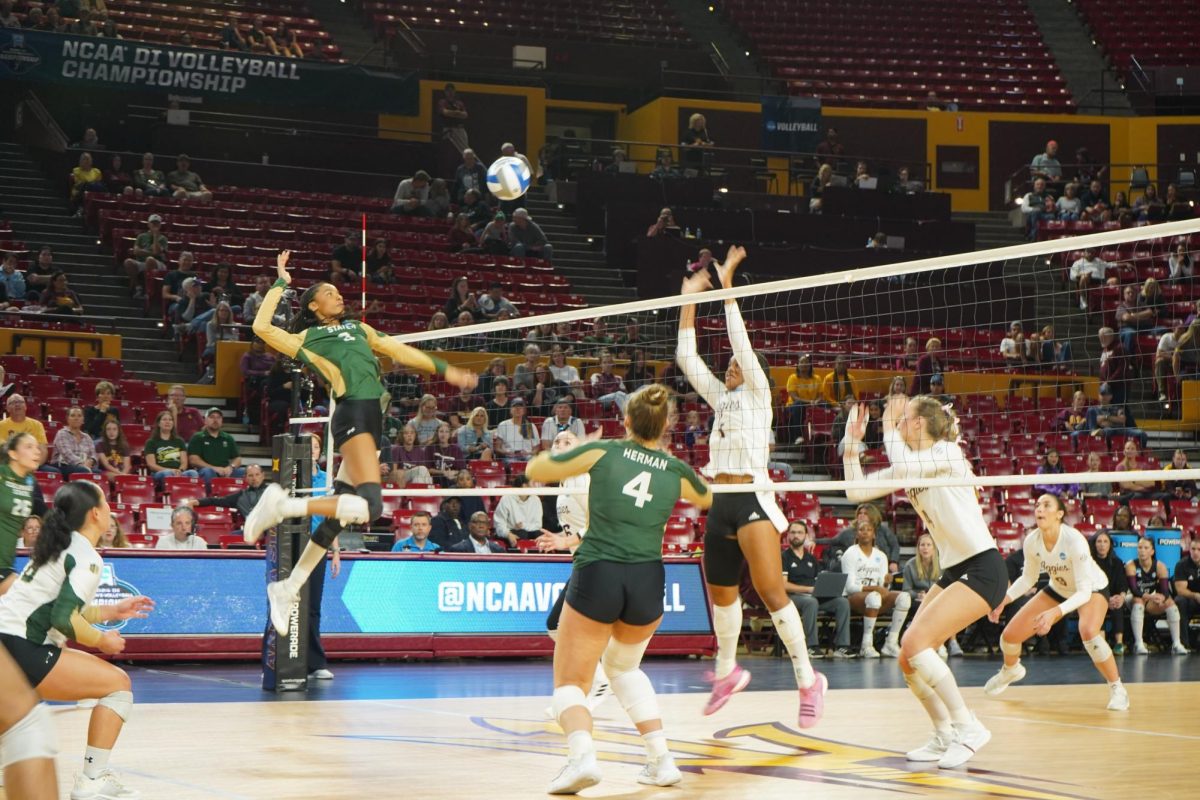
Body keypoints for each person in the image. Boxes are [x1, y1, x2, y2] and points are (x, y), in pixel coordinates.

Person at [245, 250, 476, 635]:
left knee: (336, 521)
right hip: (352, 412)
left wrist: (445, 369)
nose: (338, 296)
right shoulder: (307, 338)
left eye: (338, 291)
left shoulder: (360, 328)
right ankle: (282, 504)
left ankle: (287, 588)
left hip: (372, 417)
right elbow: (262, 328)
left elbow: (399, 350)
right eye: (330, 293)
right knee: (370, 505)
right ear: (314, 305)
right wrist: (281, 283)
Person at [525, 384, 711, 793]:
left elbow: (536, 470)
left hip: (600, 571)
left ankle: (582, 760)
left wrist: (580, 449)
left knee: (570, 682)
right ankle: (661, 760)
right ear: (668, 425)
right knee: (624, 668)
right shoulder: (676, 469)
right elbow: (706, 496)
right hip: (648, 579)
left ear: (625, 420)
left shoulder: (605, 451)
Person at [677, 245, 826, 727]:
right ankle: (726, 672)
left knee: (769, 590)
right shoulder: (720, 400)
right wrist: (687, 299)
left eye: (740, 364)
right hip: (718, 501)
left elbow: (740, 343)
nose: (731, 367)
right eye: (730, 367)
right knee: (721, 596)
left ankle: (808, 679)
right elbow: (686, 355)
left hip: (753, 498)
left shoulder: (759, 396)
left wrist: (727, 286)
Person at [842, 394, 1004, 768]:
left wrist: (885, 425)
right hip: (956, 571)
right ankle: (943, 733)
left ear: (917, 423)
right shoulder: (912, 464)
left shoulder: (948, 453)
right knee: (906, 656)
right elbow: (856, 492)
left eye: (902, 419)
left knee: (916, 644)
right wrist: (852, 447)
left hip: (982, 567)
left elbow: (904, 462)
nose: (897, 424)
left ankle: (968, 726)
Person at [0, 480, 154, 800]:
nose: (112, 509)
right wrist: (102, 641)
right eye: (107, 502)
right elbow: (62, 619)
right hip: (23, 646)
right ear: (96, 513)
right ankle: (92, 781)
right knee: (117, 685)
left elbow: (63, 608)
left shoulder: (58, 545)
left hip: (6, 643)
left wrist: (112, 609)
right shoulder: (86, 556)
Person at [985, 494, 1128, 710]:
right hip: (1058, 588)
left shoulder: (1074, 540)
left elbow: (1083, 592)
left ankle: (1118, 688)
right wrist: (1004, 600)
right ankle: (1011, 669)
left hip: (1092, 588)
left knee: (1088, 631)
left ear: (1059, 514)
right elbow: (1028, 579)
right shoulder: (1032, 540)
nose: (1039, 509)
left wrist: (1055, 613)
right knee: (1009, 637)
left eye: (1046, 505)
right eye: (1037, 505)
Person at [783, 521, 853, 659]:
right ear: (787, 536)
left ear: (806, 536)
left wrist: (825, 588)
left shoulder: (811, 558)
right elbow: (783, 585)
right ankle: (811, 646)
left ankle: (842, 647)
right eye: (793, 532)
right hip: (792, 597)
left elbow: (817, 580)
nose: (796, 535)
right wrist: (808, 589)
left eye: (800, 532)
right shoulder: (784, 557)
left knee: (842, 602)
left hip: (813, 595)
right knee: (811, 602)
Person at [842, 518, 911, 657]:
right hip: (854, 598)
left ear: (874, 534)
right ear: (857, 534)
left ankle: (891, 643)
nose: (865, 533)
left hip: (876, 596)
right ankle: (866, 645)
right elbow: (850, 587)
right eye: (861, 530)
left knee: (904, 598)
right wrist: (876, 588)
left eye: (869, 530)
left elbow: (882, 587)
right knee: (874, 597)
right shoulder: (850, 553)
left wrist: (886, 583)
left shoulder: (881, 556)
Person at [903, 533, 962, 658]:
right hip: (918, 600)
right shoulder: (910, 565)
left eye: (929, 545)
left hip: (939, 598)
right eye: (922, 545)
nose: (925, 548)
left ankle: (952, 641)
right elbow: (906, 590)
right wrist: (918, 594)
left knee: (949, 606)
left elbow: (950, 585)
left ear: (934, 548)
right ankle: (937, 644)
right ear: (918, 548)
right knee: (931, 607)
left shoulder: (943, 564)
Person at [1126, 537, 1187, 654]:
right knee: (1138, 601)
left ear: (1152, 551)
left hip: (1149, 599)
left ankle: (1176, 643)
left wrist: (1162, 598)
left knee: (1170, 603)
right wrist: (1151, 597)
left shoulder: (1160, 566)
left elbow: (1165, 591)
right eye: (1139, 548)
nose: (1142, 550)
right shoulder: (1131, 565)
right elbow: (1134, 590)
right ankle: (1138, 644)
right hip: (1131, 599)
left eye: (1145, 548)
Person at [0, 433, 41, 596]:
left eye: (37, 447)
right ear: (13, 454)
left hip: (6, 562)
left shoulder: (30, 482)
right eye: (29, 447)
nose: (37, 452)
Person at [187, 408, 245, 490]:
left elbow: (238, 458)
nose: (215, 420)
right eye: (212, 417)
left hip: (225, 471)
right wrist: (214, 468)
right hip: (205, 471)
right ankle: (211, 498)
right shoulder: (198, 437)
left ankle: (243, 499)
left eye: (218, 417)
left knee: (244, 471)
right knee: (208, 472)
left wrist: (230, 468)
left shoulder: (228, 438)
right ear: (205, 421)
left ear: (222, 421)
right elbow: (193, 460)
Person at [1090, 531, 1129, 654]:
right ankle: (1101, 643)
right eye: (1099, 541)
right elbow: (1089, 586)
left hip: (1112, 598)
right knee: (1098, 606)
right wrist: (1105, 600)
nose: (1102, 545)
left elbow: (1123, 584)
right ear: (1094, 544)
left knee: (1118, 605)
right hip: (1094, 598)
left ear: (1110, 545)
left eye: (1105, 542)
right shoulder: (1089, 562)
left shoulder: (1117, 562)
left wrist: (1121, 597)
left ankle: (1119, 643)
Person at [144, 409, 199, 488]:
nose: (168, 422)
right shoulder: (151, 442)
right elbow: (152, 465)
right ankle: (171, 495)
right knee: (167, 473)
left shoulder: (179, 441)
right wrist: (170, 470)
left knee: (193, 473)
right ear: (159, 423)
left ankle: (191, 496)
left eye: (170, 420)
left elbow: (184, 463)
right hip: (159, 473)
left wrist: (180, 470)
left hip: (178, 472)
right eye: (164, 419)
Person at [491, 474, 543, 547]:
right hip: (510, 532)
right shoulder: (507, 498)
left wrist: (523, 526)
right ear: (524, 485)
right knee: (522, 534)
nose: (535, 486)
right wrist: (508, 534)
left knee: (540, 535)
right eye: (533, 483)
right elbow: (499, 523)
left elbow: (538, 525)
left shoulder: (536, 500)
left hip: (529, 531)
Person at [50, 407, 97, 477]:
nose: (76, 418)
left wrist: (91, 461)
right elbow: (67, 455)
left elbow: (93, 454)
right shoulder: (62, 433)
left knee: (99, 473)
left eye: (79, 416)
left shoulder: (87, 437)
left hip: (84, 466)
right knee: (83, 471)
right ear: (68, 419)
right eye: (73, 415)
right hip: (63, 465)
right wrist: (82, 464)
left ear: (83, 420)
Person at [0, 396, 47, 465]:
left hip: (32, 464)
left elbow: (43, 450)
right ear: (7, 409)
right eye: (12, 402)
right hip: (8, 465)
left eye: (20, 402)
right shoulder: (1, 425)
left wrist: (35, 465)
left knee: (54, 472)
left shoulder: (37, 425)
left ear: (25, 407)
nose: (17, 404)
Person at [1173, 538, 1200, 650]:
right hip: (1190, 599)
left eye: (1199, 549)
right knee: (1180, 601)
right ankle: (1183, 643)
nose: (1195, 552)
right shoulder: (1182, 564)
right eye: (1193, 549)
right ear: (1189, 549)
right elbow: (1180, 590)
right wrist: (1195, 595)